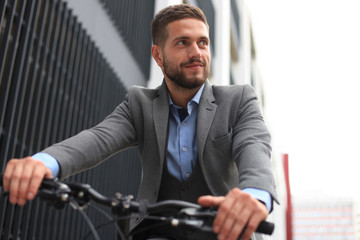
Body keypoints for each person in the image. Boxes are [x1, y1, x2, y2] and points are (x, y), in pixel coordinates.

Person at [2, 4, 277, 240]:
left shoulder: (238, 99)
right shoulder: (139, 104)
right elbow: (98, 138)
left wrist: (253, 196)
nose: (197, 53)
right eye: (183, 42)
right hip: (156, 231)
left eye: (202, 42)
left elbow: (254, 148)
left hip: (223, 231)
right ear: (158, 55)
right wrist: (42, 163)